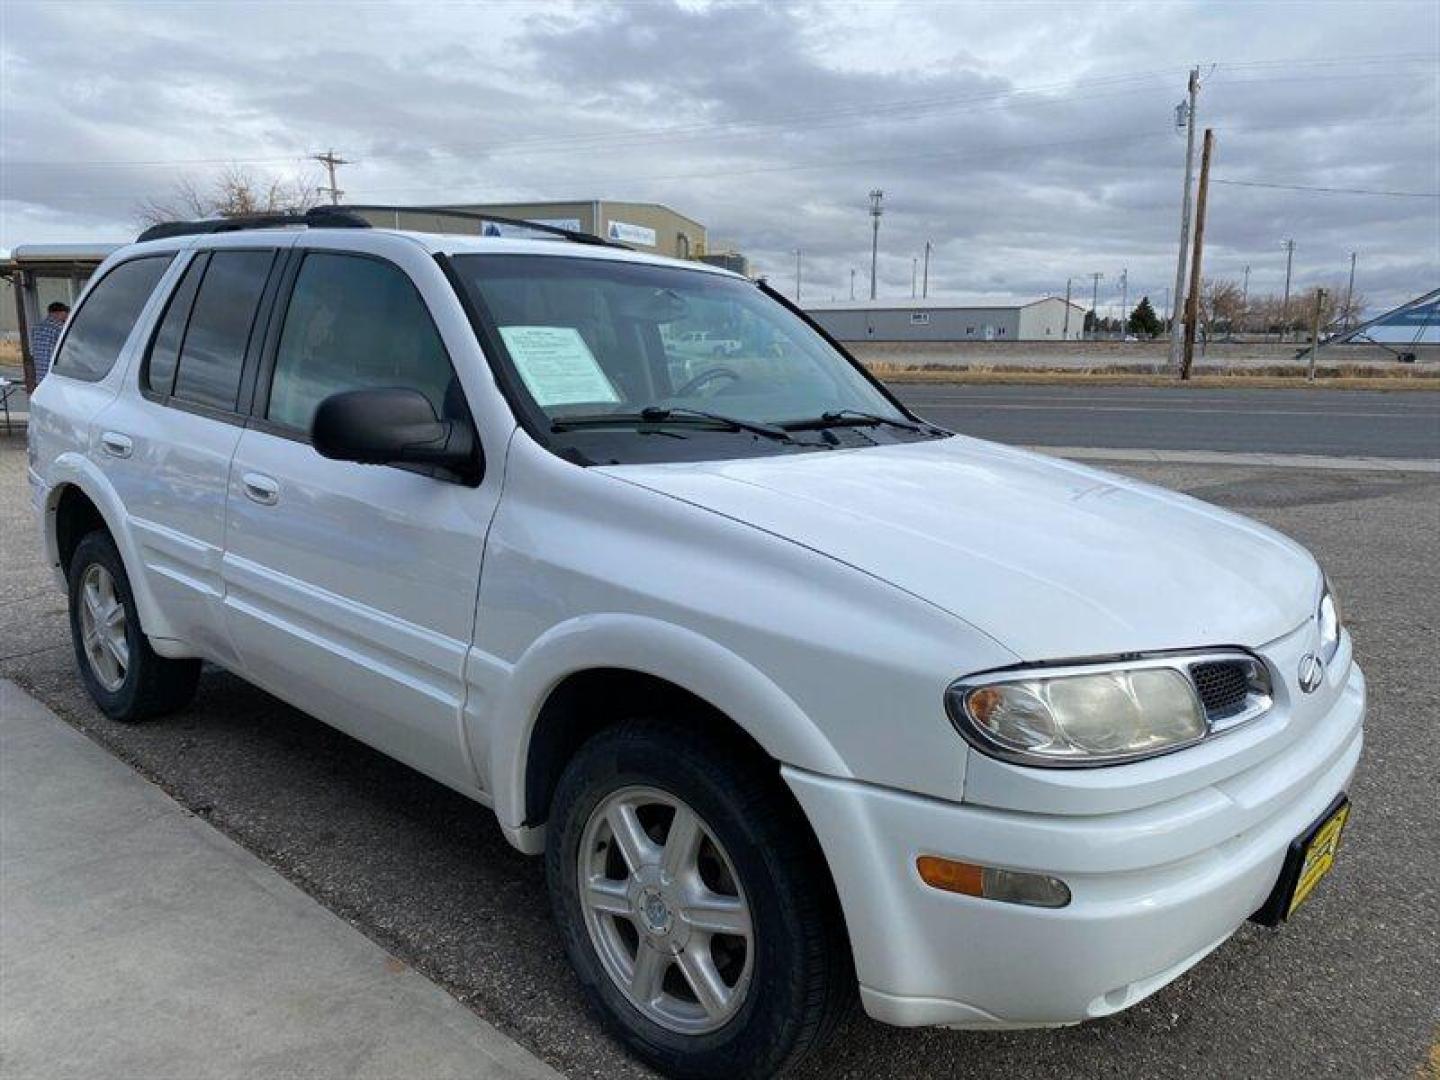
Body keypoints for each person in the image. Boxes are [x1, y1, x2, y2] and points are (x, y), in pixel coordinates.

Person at [29, 301, 69, 384]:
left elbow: (33, 351)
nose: (67, 317)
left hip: (40, 376)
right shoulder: (60, 329)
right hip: (54, 376)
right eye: (65, 314)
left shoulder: (36, 328)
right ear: (58, 313)